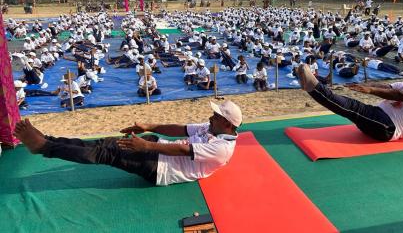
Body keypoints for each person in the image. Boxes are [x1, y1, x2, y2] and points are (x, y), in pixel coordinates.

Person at [13, 100, 242, 186]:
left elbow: (184, 149)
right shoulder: (211, 126)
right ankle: (48, 141)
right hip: (157, 147)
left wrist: (148, 147)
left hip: (161, 167)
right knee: (102, 143)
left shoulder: (222, 149)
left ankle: (43, 147)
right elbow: (180, 129)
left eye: (216, 115)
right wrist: (148, 128)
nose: (211, 116)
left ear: (227, 124)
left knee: (105, 154)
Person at [296, 63, 403, 141]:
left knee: (352, 107)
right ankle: (312, 87)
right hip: (379, 121)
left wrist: (370, 91)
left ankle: (313, 86)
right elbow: (387, 87)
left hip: (387, 128)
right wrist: (367, 86)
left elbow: (397, 95)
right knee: (351, 108)